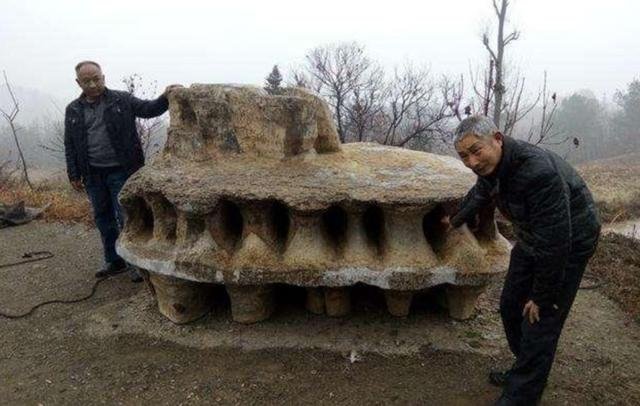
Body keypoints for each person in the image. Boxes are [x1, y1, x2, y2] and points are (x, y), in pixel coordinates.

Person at [450, 116, 600, 405]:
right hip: (533, 236)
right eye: (464, 156)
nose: (471, 162)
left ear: (497, 139)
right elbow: (481, 191)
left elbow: (556, 242)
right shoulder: (493, 167)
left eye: (476, 151)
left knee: (539, 319)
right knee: (510, 306)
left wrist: (542, 295)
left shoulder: (538, 173)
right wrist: (454, 220)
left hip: (570, 243)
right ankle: (528, 370)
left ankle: (521, 396)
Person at [64, 60, 181, 282]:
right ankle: (114, 260)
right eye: (87, 81)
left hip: (122, 171)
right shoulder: (73, 109)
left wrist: (166, 97)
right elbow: (70, 143)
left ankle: (134, 262)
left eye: (96, 79)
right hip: (92, 174)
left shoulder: (122, 100)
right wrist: (73, 173)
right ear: (78, 83)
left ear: (103, 77)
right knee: (103, 218)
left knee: (128, 216)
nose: (93, 84)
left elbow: (149, 109)